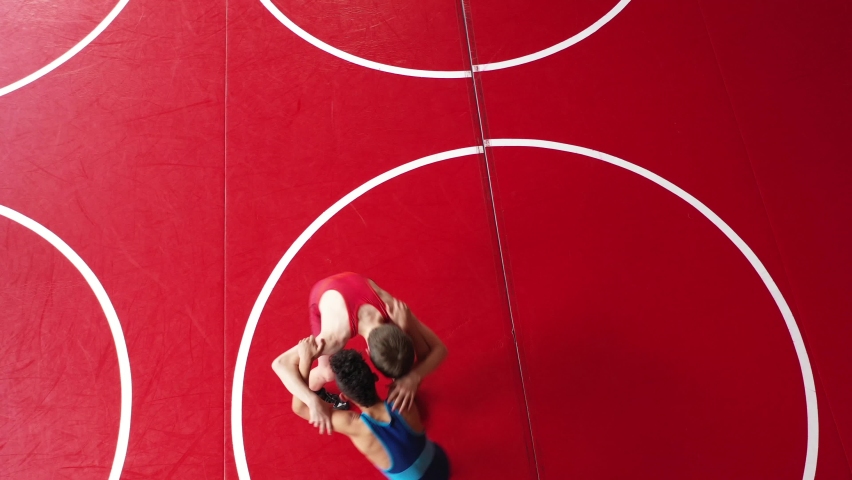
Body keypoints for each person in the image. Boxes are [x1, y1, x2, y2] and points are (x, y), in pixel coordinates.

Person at [272, 272, 447, 435]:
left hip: (353, 284)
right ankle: (317, 391)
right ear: (368, 353)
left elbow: (440, 349)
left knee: (397, 360)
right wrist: (311, 400)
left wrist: (413, 376)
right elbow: (280, 364)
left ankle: (400, 390)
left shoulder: (397, 311)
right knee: (327, 372)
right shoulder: (333, 339)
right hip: (324, 293)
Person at [291, 337, 450, 480]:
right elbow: (422, 353)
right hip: (440, 466)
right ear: (375, 377)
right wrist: (379, 357)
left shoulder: (354, 426)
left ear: (344, 397)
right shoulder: (402, 399)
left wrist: (306, 360)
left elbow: (299, 408)